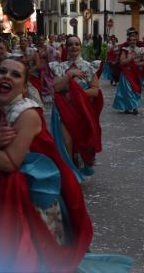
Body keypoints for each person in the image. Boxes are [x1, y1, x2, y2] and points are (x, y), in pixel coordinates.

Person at [0, 57, 131, 273]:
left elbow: (10, 162)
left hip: (32, 207)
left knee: (36, 263)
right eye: (2, 71)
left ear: (24, 87)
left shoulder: (26, 115)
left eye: (15, 74)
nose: (6, 76)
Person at [50, 35, 102, 181]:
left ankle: (77, 167)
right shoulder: (60, 67)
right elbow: (57, 87)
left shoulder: (88, 66)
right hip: (64, 110)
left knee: (81, 141)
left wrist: (76, 95)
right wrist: (69, 74)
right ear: (66, 47)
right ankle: (71, 174)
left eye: (76, 44)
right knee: (67, 142)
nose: (73, 47)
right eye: (70, 44)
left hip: (82, 110)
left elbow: (95, 90)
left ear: (80, 47)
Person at [113, 32, 144, 115]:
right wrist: (129, 59)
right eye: (131, 40)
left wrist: (137, 64)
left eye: (134, 40)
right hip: (126, 73)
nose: (133, 41)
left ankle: (130, 106)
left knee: (136, 90)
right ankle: (132, 107)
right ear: (128, 41)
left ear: (136, 40)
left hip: (136, 73)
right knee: (127, 90)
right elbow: (122, 62)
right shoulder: (125, 50)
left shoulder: (141, 50)